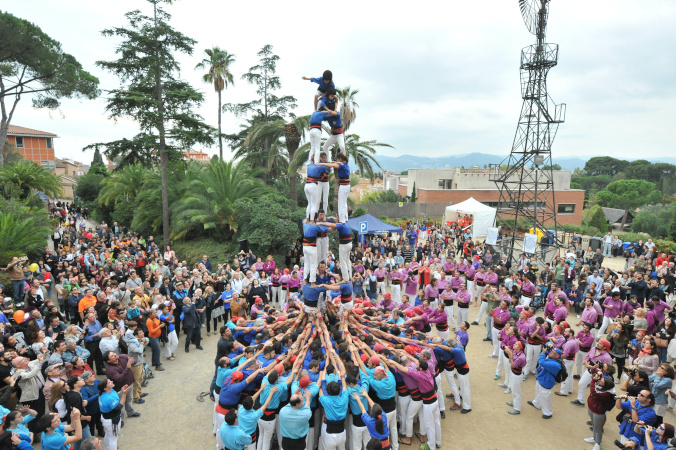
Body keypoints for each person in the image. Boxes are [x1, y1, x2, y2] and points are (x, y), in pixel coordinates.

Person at [528, 345, 563, 419]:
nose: (550, 352)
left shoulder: (556, 364)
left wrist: (543, 353)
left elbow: (541, 362)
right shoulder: (552, 357)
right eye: (551, 351)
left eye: (553, 352)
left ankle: (548, 413)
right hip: (541, 378)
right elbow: (547, 346)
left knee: (545, 397)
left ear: (557, 356)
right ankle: (537, 403)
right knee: (538, 392)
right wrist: (548, 344)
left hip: (546, 382)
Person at [584, 370, 616, 450]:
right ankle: (594, 438)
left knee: (598, 428)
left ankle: (597, 443)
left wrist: (593, 380)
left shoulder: (607, 393)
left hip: (598, 411)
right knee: (594, 425)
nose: (599, 380)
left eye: (601, 381)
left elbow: (594, 392)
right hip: (592, 408)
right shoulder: (600, 387)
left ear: (605, 385)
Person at [98, 379, 131, 450]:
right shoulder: (108, 398)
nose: (112, 381)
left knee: (108, 434)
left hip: (106, 418)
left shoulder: (108, 392)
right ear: (105, 388)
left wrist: (122, 392)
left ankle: (106, 448)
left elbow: (116, 395)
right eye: (109, 382)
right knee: (113, 439)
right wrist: (124, 394)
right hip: (111, 421)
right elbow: (119, 406)